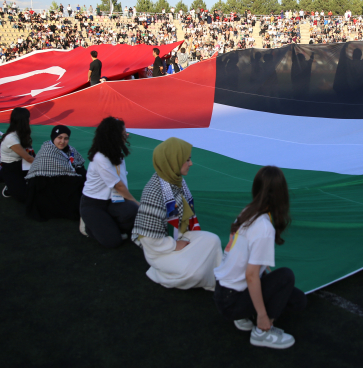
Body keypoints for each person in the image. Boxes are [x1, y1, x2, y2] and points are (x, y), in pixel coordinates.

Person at [213, 166, 307, 349]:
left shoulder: (248, 211)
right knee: (286, 276)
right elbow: (251, 275)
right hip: (231, 300)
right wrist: (263, 316)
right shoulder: (264, 227)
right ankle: (262, 331)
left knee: (297, 299)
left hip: (223, 292)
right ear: (281, 194)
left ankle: (244, 314)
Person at [132, 137, 222, 290]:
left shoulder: (175, 180)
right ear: (173, 161)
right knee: (194, 273)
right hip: (159, 249)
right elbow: (149, 241)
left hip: (178, 235)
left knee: (213, 240)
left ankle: (219, 278)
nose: (191, 163)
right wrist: (174, 244)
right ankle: (158, 273)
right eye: (187, 160)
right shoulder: (154, 193)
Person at [79, 117, 139, 248]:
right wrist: (136, 202)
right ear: (114, 136)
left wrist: (134, 206)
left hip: (112, 201)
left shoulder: (116, 154)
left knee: (132, 211)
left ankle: (107, 225)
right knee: (113, 242)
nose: (127, 136)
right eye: (124, 134)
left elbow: (121, 183)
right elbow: (119, 185)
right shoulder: (101, 157)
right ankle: (88, 226)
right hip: (93, 204)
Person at [25, 125, 87, 221]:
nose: (62, 142)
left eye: (66, 138)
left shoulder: (70, 150)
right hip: (47, 185)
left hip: (62, 179)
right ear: (54, 137)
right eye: (59, 137)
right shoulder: (47, 151)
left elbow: (78, 164)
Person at [0, 107, 34, 201]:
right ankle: (10, 186)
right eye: (28, 118)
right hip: (12, 169)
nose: (29, 120)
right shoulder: (11, 138)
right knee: (27, 197)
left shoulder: (19, 134)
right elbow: (28, 158)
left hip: (21, 165)